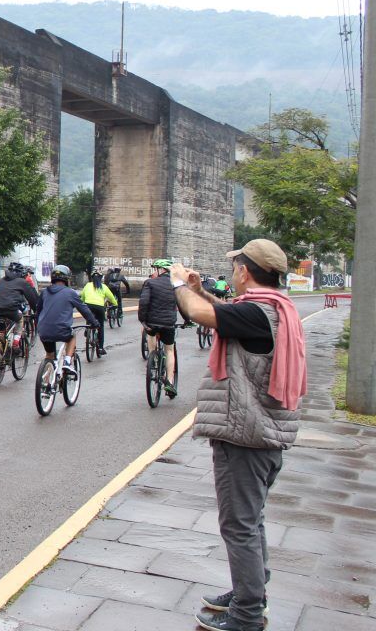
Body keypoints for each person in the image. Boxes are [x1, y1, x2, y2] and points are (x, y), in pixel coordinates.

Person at [169, 241, 305, 631]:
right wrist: (198, 289)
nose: (233, 273)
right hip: (264, 433)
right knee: (252, 518)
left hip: (246, 436)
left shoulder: (258, 312)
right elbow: (222, 312)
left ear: (245, 271)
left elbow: (199, 314)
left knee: (238, 524)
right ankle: (251, 590)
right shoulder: (274, 308)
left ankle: (247, 614)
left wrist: (178, 284)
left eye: (235, 267)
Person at [138, 258, 190, 398]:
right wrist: (187, 320)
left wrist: (143, 320)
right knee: (169, 349)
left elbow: (144, 303)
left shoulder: (150, 283)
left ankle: (153, 358)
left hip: (153, 322)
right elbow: (182, 306)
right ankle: (170, 382)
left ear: (160, 270)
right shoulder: (176, 285)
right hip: (168, 323)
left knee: (151, 335)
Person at [35, 264, 98, 375]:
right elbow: (84, 310)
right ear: (67, 279)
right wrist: (94, 323)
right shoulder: (70, 293)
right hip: (62, 330)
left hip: (44, 330)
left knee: (49, 356)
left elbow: (38, 311)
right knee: (72, 336)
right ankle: (67, 362)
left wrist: (38, 326)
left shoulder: (44, 292)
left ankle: (45, 385)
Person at [0, 262, 39, 349]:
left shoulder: (0, 281)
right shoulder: (22, 282)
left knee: (2, 333)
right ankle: (16, 343)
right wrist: (36, 311)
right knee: (20, 320)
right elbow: (31, 298)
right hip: (11, 310)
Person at [78, 271, 118, 356]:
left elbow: (82, 297)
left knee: (89, 316)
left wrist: (84, 302)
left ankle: (87, 329)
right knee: (100, 326)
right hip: (100, 307)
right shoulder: (103, 287)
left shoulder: (87, 285)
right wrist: (115, 304)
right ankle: (100, 348)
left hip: (88, 306)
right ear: (101, 278)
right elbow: (111, 297)